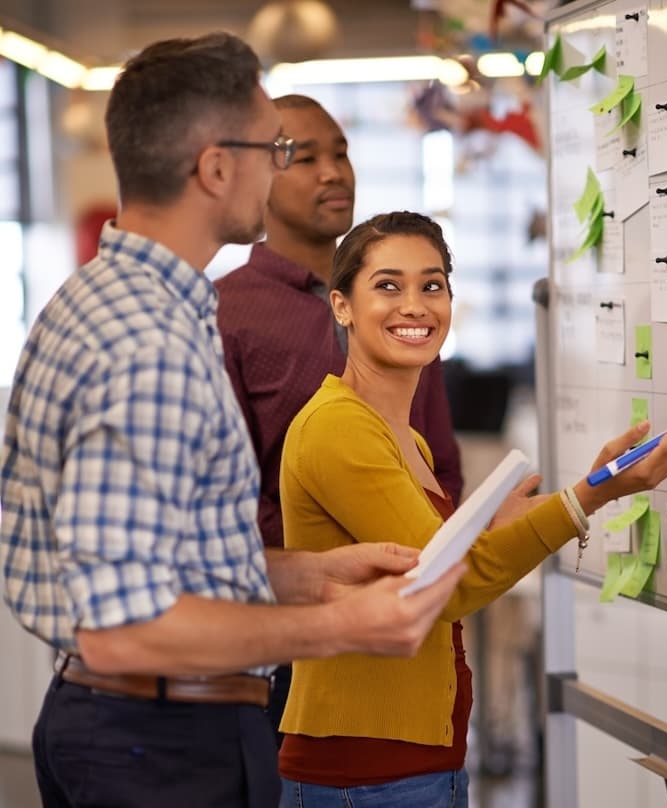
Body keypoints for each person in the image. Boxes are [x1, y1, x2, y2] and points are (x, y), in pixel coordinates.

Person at [0, 36, 467, 808]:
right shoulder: (148, 344)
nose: (285, 166)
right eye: (276, 147)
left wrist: (312, 576)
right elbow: (128, 627)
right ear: (217, 167)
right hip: (159, 745)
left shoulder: (109, 302)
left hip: (137, 727)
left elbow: (166, 558)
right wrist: (344, 626)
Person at [277, 211, 667, 807]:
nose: (414, 305)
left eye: (432, 285)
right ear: (341, 306)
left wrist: (554, 497)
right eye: (387, 286)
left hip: (411, 766)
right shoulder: (338, 427)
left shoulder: (403, 436)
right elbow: (446, 586)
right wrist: (592, 496)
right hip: (363, 775)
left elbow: (428, 550)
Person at [215, 93, 463, 737]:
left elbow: (440, 463)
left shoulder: (397, 308)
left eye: (341, 153)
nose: (333, 172)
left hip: (411, 610)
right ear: (256, 178)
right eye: (303, 157)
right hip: (285, 635)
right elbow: (223, 497)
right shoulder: (226, 313)